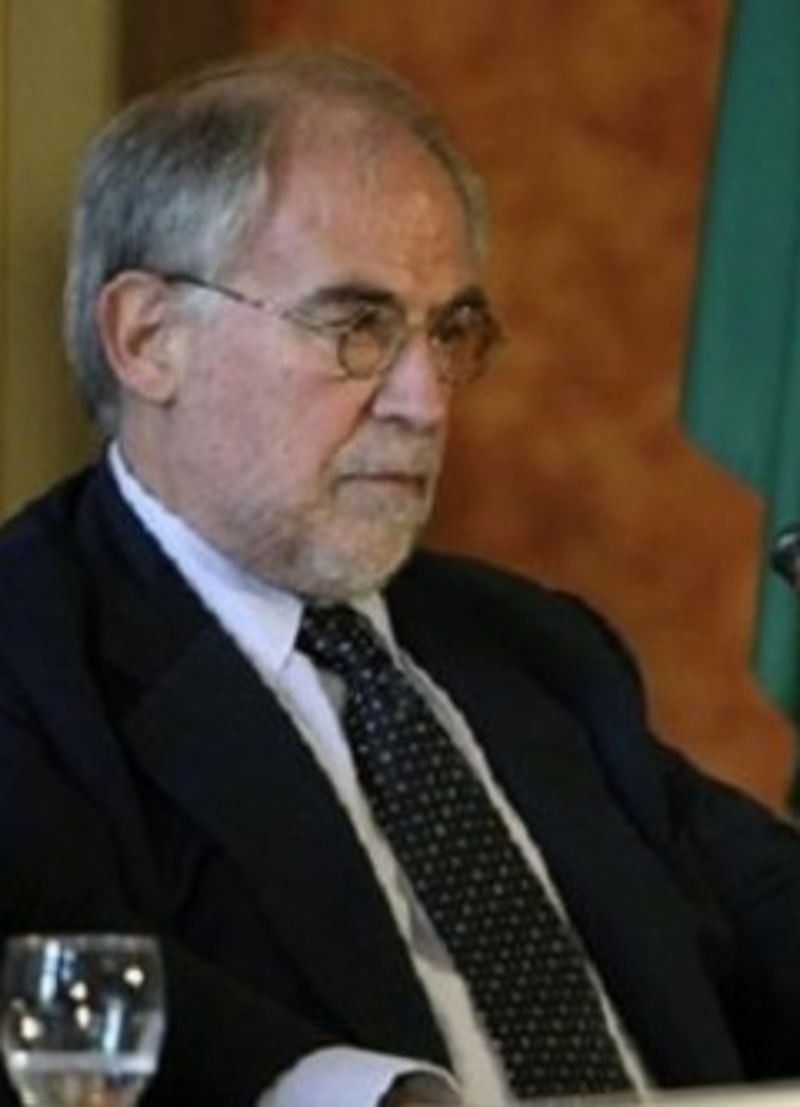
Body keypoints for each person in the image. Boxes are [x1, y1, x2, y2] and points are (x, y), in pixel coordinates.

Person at [0, 46, 799, 1107]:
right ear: (148, 340)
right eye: (357, 326)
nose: (425, 402)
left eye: (451, 330)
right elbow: (48, 991)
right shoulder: (31, 653)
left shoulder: (535, 648)